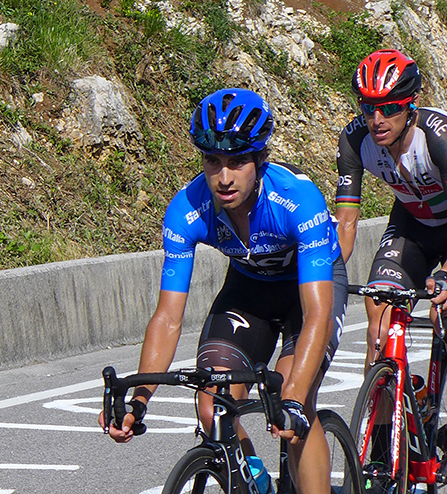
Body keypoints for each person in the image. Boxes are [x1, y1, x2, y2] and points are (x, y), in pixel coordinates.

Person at [98, 88, 348, 494]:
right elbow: (168, 316)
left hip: (312, 292)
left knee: (293, 400)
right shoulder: (187, 209)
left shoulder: (297, 201)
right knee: (213, 404)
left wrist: (294, 401)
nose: (224, 176)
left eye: (237, 161)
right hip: (249, 291)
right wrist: (139, 398)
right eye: (212, 161)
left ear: (260, 160)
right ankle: (259, 486)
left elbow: (317, 314)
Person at [335, 49, 447, 373]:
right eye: (369, 108)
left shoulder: (437, 138)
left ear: (411, 103)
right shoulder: (355, 140)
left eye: (389, 108)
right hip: (411, 226)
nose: (377, 120)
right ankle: (385, 422)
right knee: (380, 326)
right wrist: (324, 274)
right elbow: (345, 224)